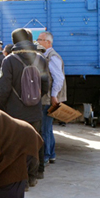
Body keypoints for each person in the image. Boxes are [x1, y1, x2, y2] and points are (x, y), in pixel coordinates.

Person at [0, 28, 49, 186]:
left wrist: (4, 104)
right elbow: (46, 85)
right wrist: (35, 99)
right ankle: (33, 175)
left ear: (14, 41)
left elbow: (3, 88)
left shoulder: (9, 60)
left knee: (16, 144)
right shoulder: (40, 59)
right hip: (35, 110)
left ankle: (21, 180)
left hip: (14, 110)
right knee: (34, 141)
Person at [36, 32, 67, 165]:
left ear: (48, 42)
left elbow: (58, 78)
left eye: (40, 40)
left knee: (45, 128)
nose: (37, 42)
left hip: (48, 98)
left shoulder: (52, 57)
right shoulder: (47, 55)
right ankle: (51, 154)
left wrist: (54, 95)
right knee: (47, 127)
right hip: (48, 97)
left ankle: (46, 155)